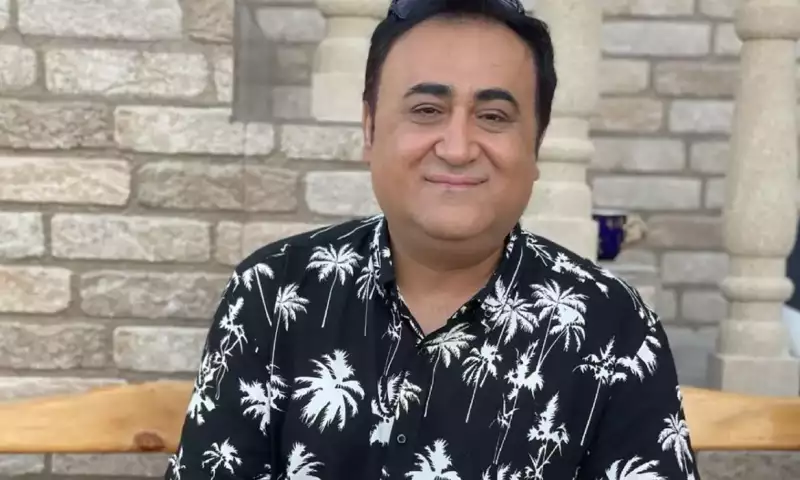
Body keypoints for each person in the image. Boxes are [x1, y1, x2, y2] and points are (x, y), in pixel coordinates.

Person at [165, 0, 700, 478]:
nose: (458, 147)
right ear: (370, 129)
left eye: (493, 116)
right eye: (427, 110)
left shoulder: (612, 325)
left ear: (535, 146)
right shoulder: (273, 292)